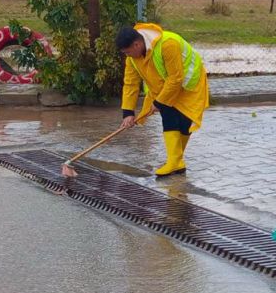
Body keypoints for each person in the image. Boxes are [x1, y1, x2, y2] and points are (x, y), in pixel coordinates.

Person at [79, 24, 209, 178]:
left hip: (188, 86)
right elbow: (130, 83)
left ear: (137, 44)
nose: (127, 55)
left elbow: (175, 78)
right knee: (169, 117)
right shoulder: (132, 58)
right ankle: (175, 162)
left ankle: (176, 161)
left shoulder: (168, 44)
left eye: (128, 52)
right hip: (164, 88)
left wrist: (159, 102)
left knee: (185, 122)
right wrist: (128, 112)